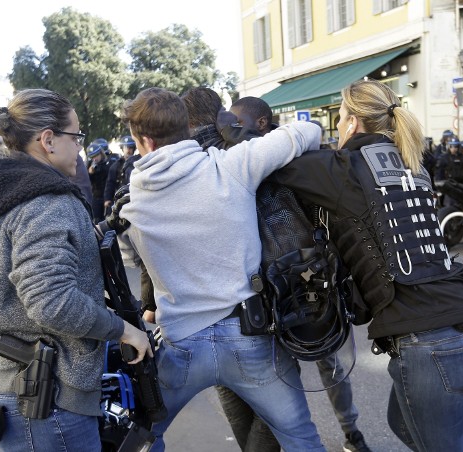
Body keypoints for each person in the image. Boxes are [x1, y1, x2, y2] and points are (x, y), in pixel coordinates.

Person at [267, 79, 463, 452]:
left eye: (339, 119)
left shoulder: (342, 169)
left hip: (429, 342)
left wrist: (304, 130)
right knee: (402, 422)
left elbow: (272, 161)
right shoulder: (412, 162)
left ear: (353, 122)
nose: (337, 128)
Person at [117, 87, 324, 451]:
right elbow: (309, 132)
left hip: (182, 343)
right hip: (249, 334)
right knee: (300, 439)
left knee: (138, 439)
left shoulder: (132, 203)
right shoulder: (231, 165)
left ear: (144, 141)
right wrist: (237, 134)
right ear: (188, 127)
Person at [0, 89, 151, 451]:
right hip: (50, 399)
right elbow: (51, 302)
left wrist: (98, 232)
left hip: (14, 384)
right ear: (48, 140)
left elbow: (11, 262)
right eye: (76, 138)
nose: (80, 149)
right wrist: (124, 331)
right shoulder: (46, 201)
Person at [225, 98, 370, 452]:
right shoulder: (243, 161)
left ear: (261, 123)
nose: (232, 130)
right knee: (280, 375)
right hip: (270, 287)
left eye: (239, 122)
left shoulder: (296, 154)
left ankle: (351, 433)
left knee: (331, 361)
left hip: (314, 277)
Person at [103, 135, 141, 211]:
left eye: (130, 148)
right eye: (126, 147)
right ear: (122, 148)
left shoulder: (139, 162)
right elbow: (110, 183)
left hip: (136, 197)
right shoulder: (116, 165)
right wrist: (107, 199)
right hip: (120, 199)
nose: (128, 150)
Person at [86, 138, 114, 222]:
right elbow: (87, 182)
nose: (95, 158)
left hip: (108, 196)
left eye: (96, 155)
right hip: (96, 196)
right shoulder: (90, 165)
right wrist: (90, 173)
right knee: (97, 219)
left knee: (110, 219)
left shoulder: (109, 162)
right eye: (92, 157)